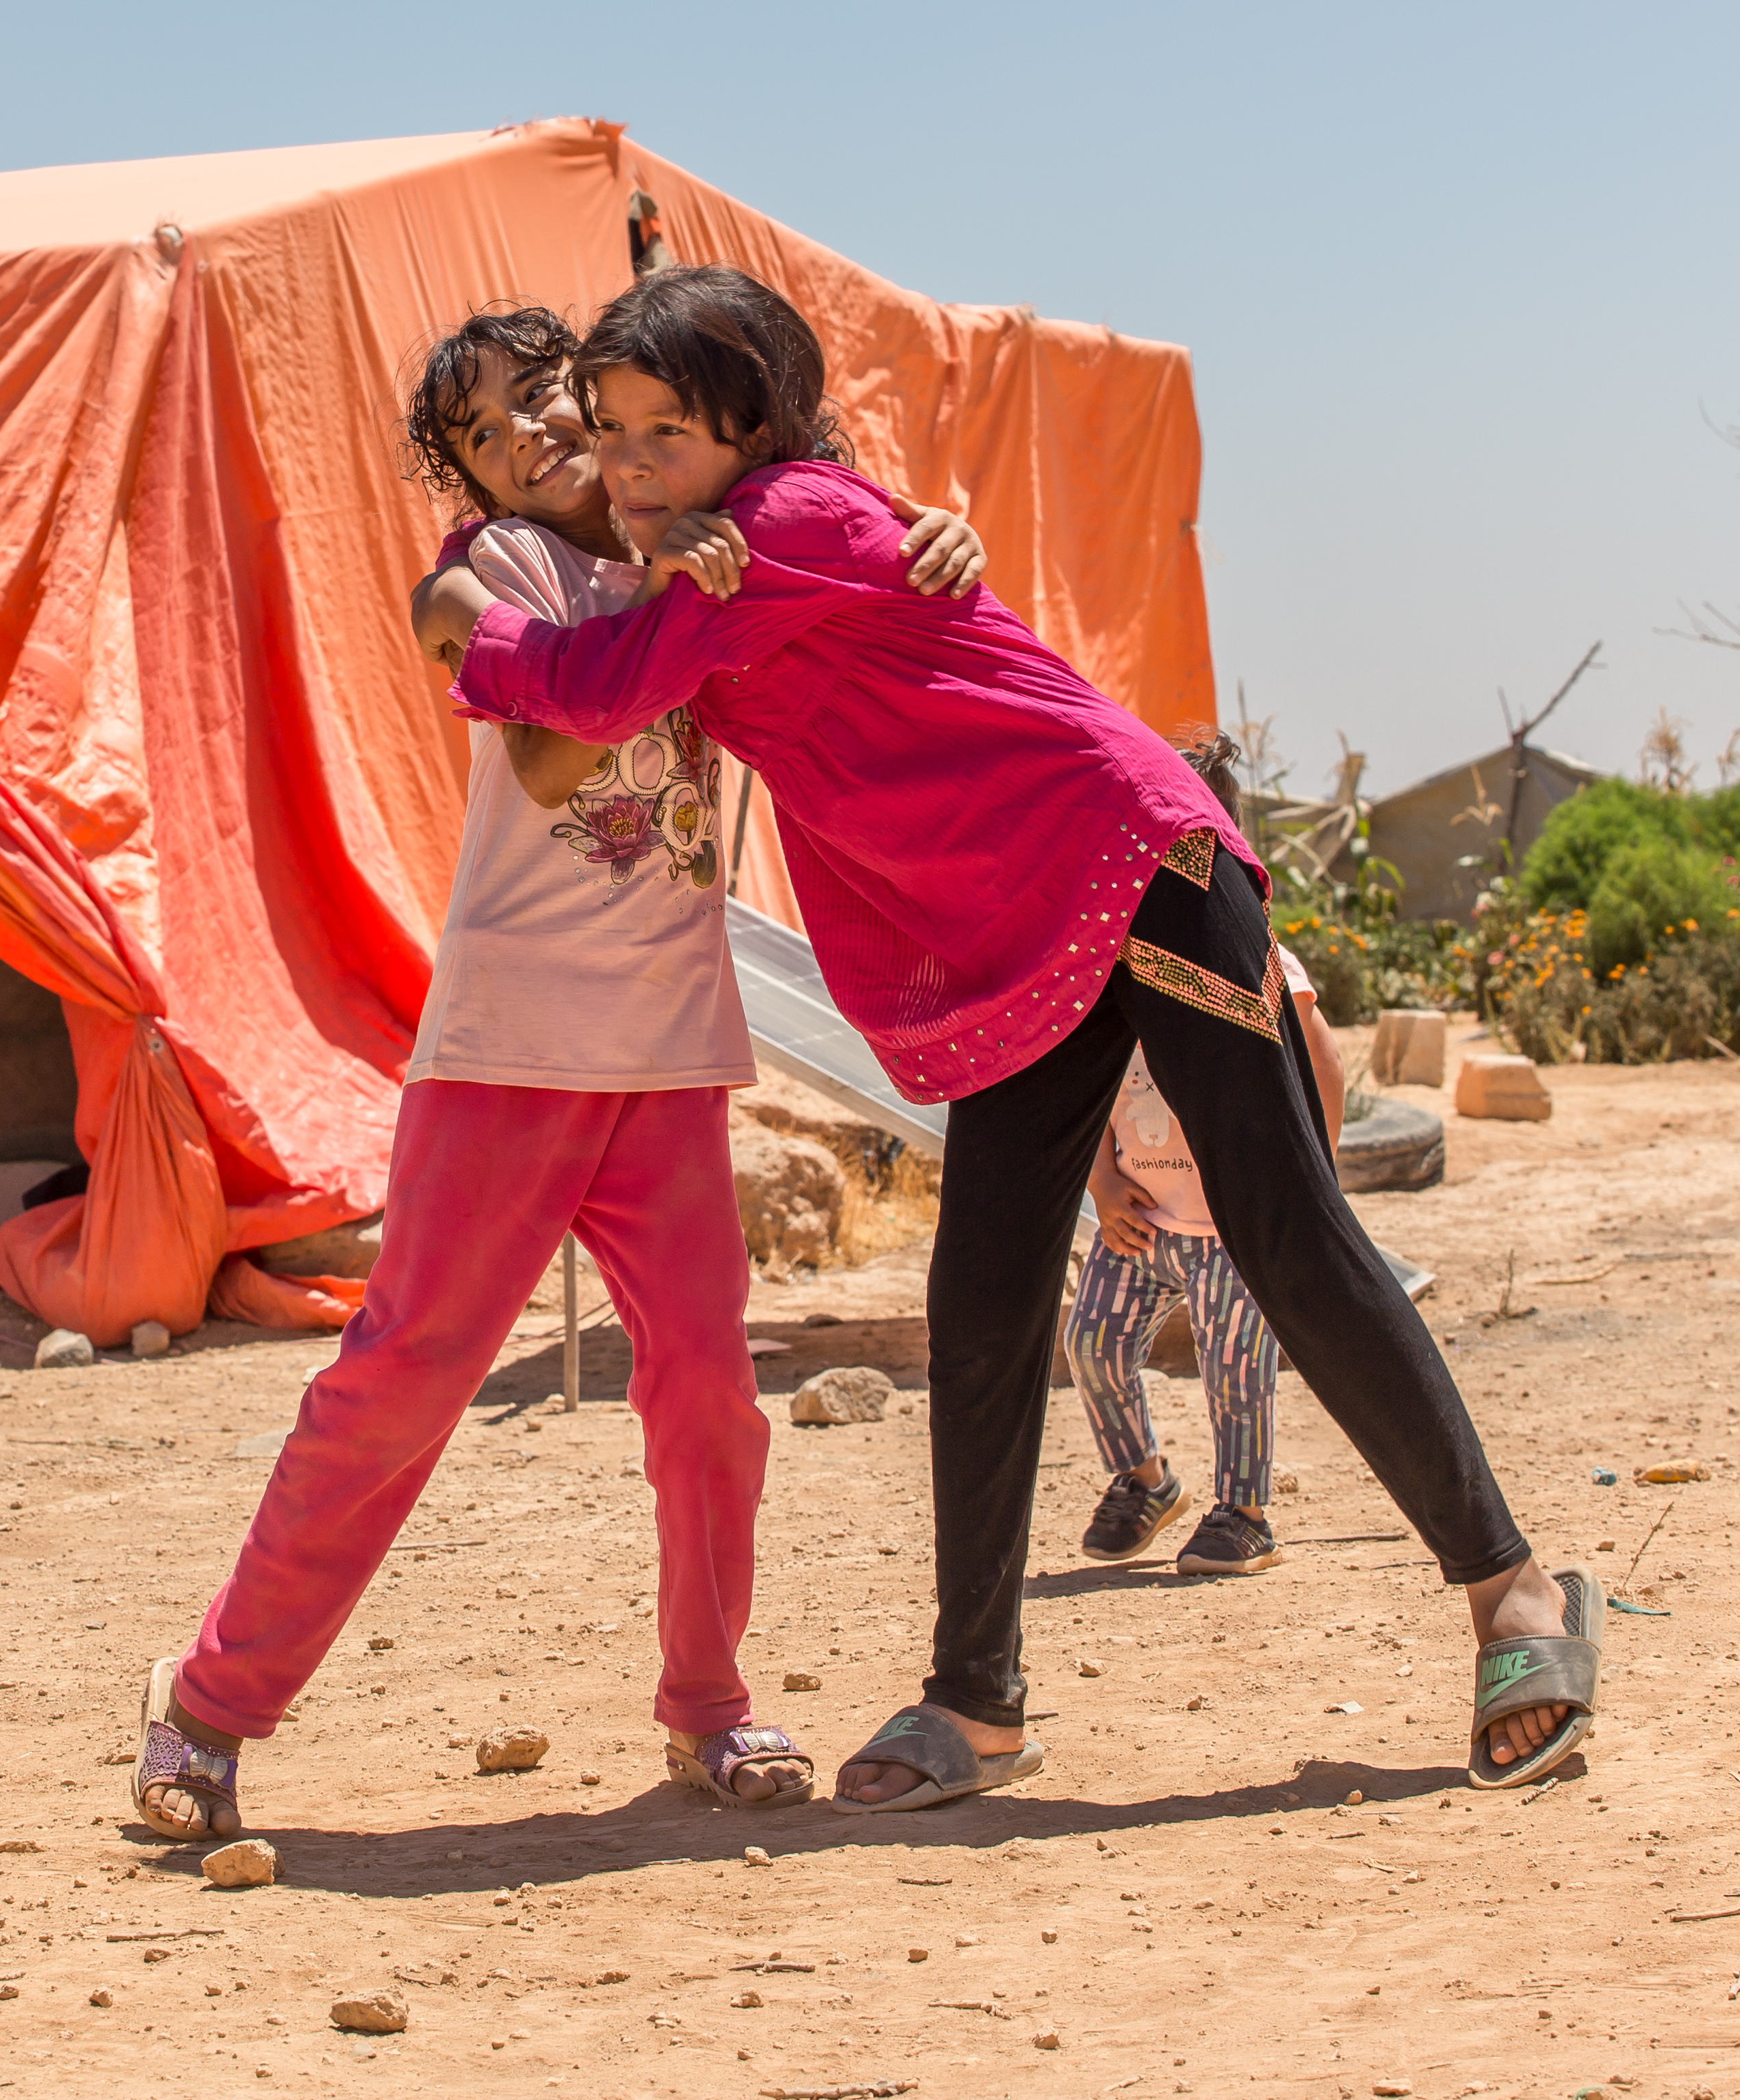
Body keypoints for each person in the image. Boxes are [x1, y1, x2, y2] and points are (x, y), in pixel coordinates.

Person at [441, 264, 1596, 1804]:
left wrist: (464, 632)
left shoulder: (774, 534)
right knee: (983, 1297)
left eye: (668, 432)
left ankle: (1508, 1591)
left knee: (1279, 1223)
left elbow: (590, 685)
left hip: (1136, 873)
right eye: (616, 430)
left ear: (759, 431)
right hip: (997, 946)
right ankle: (971, 1698)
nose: (635, 463)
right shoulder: (707, 563)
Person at [128, 306, 985, 1836]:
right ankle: (208, 1706)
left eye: (543, 401)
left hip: (667, 1058)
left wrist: (936, 538)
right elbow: (547, 751)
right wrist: (674, 605)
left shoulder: (708, 525)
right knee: (400, 1385)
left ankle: (709, 1710)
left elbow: (841, 538)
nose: (527, 439)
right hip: (512, 1053)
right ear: (463, 475)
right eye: (483, 432)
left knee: (711, 1397)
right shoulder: (495, 574)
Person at [1068, 739, 1345, 1580]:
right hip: (1140, 1216)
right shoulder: (1109, 962)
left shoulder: (1258, 959)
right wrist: (1101, 1177)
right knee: (1092, 1343)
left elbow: (1321, 1075)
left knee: (1235, 1365)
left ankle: (1245, 1513)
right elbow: (1087, 1090)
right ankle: (1145, 1480)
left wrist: (1305, 1189)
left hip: (1227, 1221)